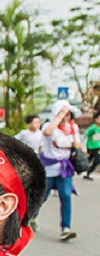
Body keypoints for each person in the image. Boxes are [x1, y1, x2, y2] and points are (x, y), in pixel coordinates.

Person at [40, 100, 81, 241]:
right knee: (42, 196)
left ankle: (66, 228)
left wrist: (77, 145)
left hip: (65, 168)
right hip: (48, 168)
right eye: (63, 114)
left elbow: (78, 145)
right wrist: (59, 116)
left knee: (66, 196)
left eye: (68, 114)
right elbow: (47, 132)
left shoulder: (73, 127)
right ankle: (31, 218)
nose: (65, 118)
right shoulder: (49, 125)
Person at [83, 109, 100, 180]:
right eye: (98, 118)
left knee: (96, 160)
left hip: (98, 147)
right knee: (90, 159)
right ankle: (83, 169)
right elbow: (86, 134)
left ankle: (88, 172)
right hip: (91, 146)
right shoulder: (93, 127)